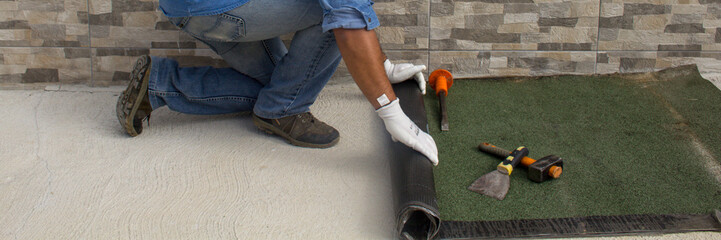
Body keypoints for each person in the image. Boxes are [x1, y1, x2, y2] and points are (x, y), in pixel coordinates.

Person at [115, 0, 438, 165]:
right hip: (216, 8)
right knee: (328, 14)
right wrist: (391, 112)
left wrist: (384, 67)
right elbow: (347, 14)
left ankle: (158, 83)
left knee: (282, 85)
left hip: (190, 8)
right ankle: (284, 109)